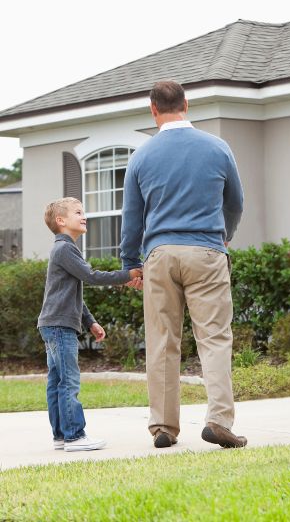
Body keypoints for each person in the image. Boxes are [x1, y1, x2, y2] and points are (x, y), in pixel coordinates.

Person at [119, 80, 247, 449]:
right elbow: (235, 202)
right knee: (215, 339)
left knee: (162, 341)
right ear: (186, 105)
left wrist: (131, 262)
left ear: (153, 109)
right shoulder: (217, 147)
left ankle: (163, 426)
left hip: (159, 254)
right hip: (206, 250)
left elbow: (132, 218)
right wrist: (225, 235)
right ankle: (219, 419)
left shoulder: (141, 157)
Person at [38, 197, 142, 451]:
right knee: (69, 381)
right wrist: (126, 275)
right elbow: (91, 276)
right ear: (61, 221)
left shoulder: (63, 250)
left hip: (53, 323)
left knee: (57, 381)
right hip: (60, 326)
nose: (84, 216)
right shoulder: (65, 249)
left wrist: (91, 322)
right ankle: (75, 436)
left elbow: (71, 293)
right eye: (78, 212)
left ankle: (61, 435)